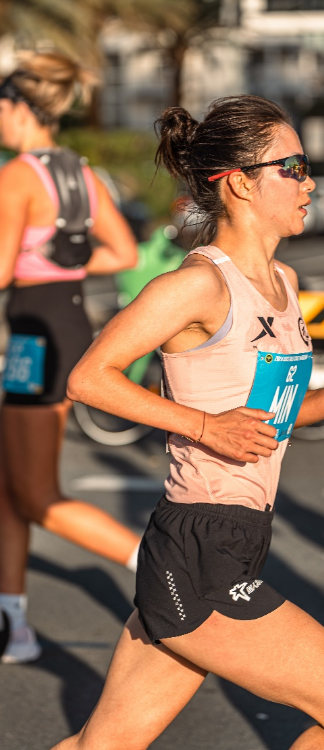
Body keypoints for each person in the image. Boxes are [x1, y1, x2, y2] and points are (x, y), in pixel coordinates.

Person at [52, 95, 324, 749]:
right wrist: (206, 429)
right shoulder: (197, 286)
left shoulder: (285, 282)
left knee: (103, 745)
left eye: (305, 165)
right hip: (199, 548)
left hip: (236, 536)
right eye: (290, 167)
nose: (309, 182)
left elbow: (271, 420)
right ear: (238, 182)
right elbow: (89, 378)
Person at [0, 52, 139, 664]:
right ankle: (14, 624)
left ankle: (158, 564)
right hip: (67, 323)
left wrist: (38, 265)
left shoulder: (16, 177)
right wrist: (63, 263)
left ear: (21, 108)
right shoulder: (80, 172)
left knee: (36, 496)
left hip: (34, 335)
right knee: (9, 487)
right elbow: (125, 251)